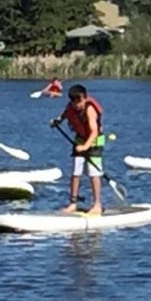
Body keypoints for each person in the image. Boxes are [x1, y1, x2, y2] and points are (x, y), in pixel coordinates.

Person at [54, 81, 107, 214]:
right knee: (75, 173)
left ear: (85, 98)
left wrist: (85, 147)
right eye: (74, 102)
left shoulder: (90, 109)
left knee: (93, 174)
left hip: (94, 142)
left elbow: (94, 132)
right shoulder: (71, 107)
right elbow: (65, 114)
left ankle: (97, 205)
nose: (77, 105)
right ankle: (73, 203)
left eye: (79, 102)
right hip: (80, 140)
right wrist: (57, 121)